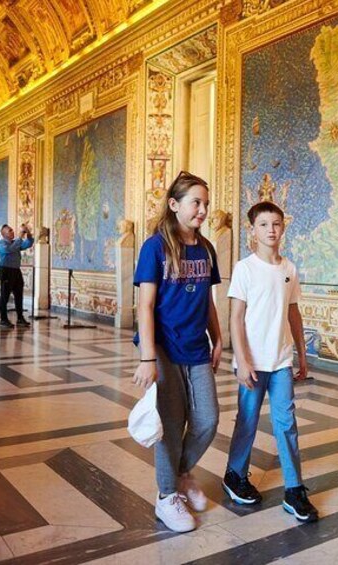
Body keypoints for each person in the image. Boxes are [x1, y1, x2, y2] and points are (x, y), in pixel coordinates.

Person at [132, 171, 223, 533]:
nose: (203, 210)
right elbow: (145, 305)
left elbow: (209, 301)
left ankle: (182, 473)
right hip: (164, 347)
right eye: (195, 202)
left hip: (197, 345)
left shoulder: (207, 248)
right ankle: (167, 495)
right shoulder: (155, 247)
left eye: (205, 203)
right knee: (171, 425)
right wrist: (147, 358)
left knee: (207, 419)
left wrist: (218, 338)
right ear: (174, 204)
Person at [222, 200, 318, 523]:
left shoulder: (289, 269)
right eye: (263, 225)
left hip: (280, 361)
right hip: (252, 361)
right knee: (247, 420)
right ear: (253, 230)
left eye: (276, 224)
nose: (271, 230)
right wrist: (242, 360)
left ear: (283, 227)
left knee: (286, 423)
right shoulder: (245, 268)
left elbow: (293, 313)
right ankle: (235, 474)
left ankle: (294, 489)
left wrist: (302, 354)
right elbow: (236, 317)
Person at [0, 224, 33, 328]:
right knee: (5, 296)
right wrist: (20, 237)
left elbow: (28, 244)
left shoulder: (15, 243)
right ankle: (3, 319)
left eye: (12, 230)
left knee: (19, 295)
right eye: (10, 231)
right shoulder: (1, 243)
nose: (12, 232)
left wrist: (28, 233)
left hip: (16, 271)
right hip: (6, 271)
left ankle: (20, 318)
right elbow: (9, 249)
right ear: (4, 234)